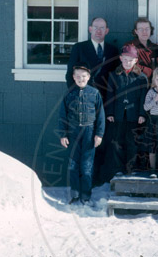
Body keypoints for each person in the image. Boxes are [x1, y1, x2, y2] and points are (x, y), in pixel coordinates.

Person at [59, 62, 105, 205]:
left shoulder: (94, 93)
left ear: (89, 77)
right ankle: (75, 194)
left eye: (84, 76)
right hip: (73, 132)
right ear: (73, 77)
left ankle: (85, 195)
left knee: (86, 166)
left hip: (89, 132)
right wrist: (63, 134)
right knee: (73, 165)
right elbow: (62, 116)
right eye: (78, 76)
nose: (81, 79)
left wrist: (99, 134)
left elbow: (101, 115)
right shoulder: (69, 94)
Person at [104, 44, 148, 178]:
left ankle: (130, 168)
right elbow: (110, 95)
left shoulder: (141, 77)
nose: (127, 62)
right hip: (118, 115)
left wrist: (142, 113)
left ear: (135, 61)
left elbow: (143, 98)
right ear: (120, 59)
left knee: (132, 142)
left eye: (131, 59)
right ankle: (118, 168)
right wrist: (110, 112)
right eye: (125, 59)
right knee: (117, 141)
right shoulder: (114, 75)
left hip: (133, 115)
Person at [65, 17, 120, 97]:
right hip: (84, 95)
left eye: (102, 28)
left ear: (106, 31)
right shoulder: (79, 48)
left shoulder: (113, 50)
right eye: (95, 27)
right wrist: (75, 94)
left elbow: (116, 75)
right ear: (90, 29)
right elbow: (70, 73)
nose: (98, 31)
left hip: (106, 97)